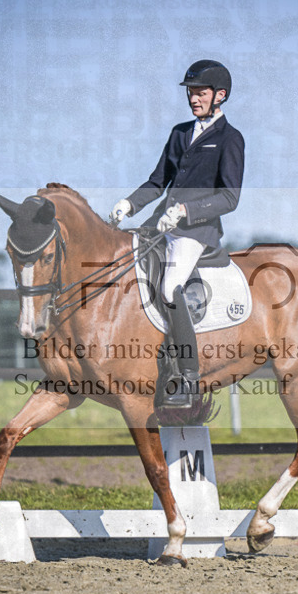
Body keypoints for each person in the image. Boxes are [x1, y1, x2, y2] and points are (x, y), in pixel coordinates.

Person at [109, 60, 245, 408]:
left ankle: (188, 378)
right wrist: (129, 204)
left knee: (170, 288)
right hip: (159, 225)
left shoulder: (230, 139)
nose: (193, 99)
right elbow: (158, 182)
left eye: (200, 93)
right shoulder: (180, 133)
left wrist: (185, 211)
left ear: (220, 95)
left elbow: (230, 197)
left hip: (196, 233)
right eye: (190, 92)